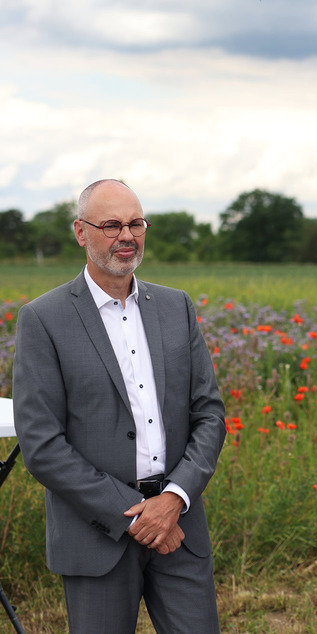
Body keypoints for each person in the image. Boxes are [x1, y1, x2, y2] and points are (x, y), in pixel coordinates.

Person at [13, 179, 226, 633]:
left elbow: (209, 414)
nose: (126, 236)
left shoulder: (176, 307)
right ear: (80, 232)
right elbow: (42, 444)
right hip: (97, 536)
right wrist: (132, 514)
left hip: (179, 524)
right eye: (111, 225)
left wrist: (173, 498)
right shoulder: (43, 319)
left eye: (136, 223)